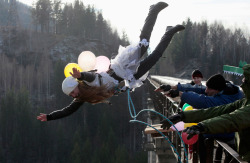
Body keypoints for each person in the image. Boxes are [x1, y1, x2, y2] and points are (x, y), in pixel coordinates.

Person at [37, 2, 185, 122]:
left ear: (75, 85)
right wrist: (50, 117)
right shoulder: (83, 96)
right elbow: (67, 111)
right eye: (71, 95)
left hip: (120, 67)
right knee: (155, 57)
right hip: (129, 77)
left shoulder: (87, 81)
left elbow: (89, 76)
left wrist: (80, 75)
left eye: (72, 92)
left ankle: (153, 11)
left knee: (144, 45)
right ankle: (169, 32)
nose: (72, 96)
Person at [163, 73, 244, 162]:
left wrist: (181, 94)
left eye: (209, 88)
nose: (206, 91)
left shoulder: (225, 101)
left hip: (229, 134)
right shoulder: (227, 90)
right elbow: (199, 89)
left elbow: (203, 102)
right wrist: (175, 87)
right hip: (226, 132)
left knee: (203, 134)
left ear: (217, 90)